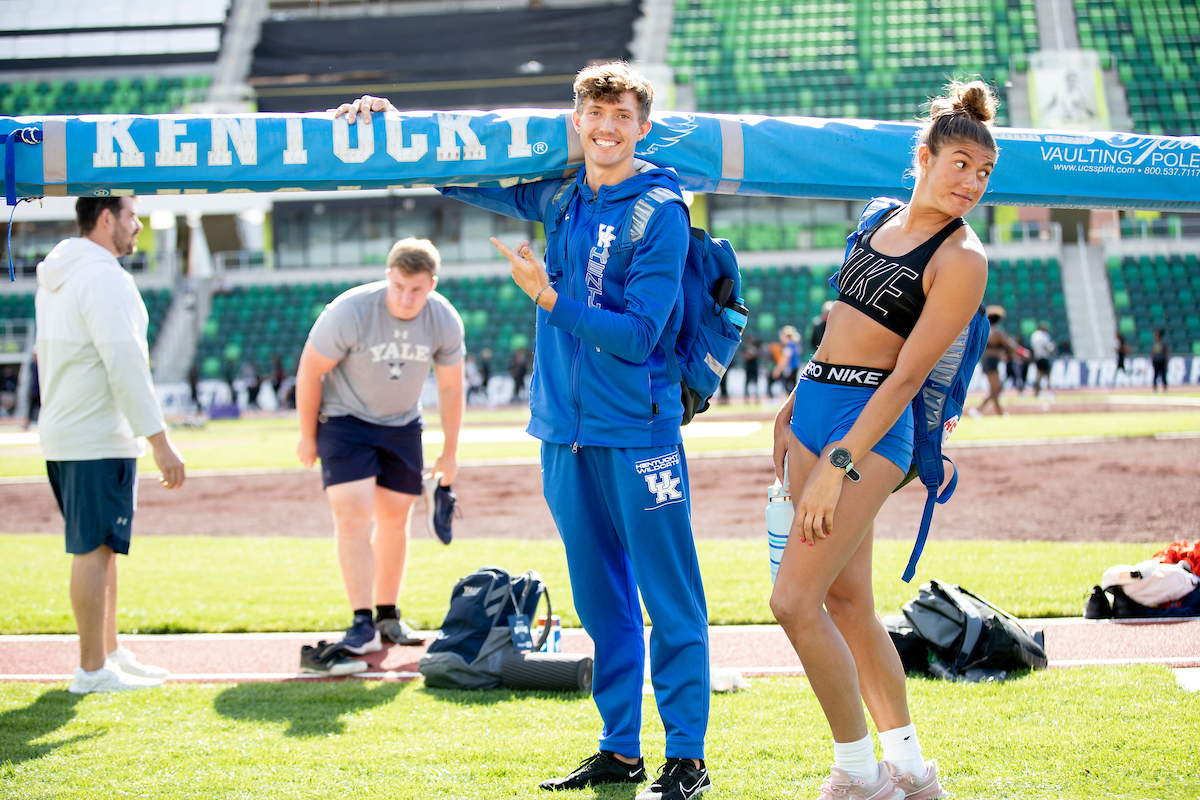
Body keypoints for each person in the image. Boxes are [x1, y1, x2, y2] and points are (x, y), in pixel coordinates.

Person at [336, 61, 713, 800]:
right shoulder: (563, 197)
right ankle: (620, 749)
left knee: (669, 599)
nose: (606, 129)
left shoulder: (661, 210)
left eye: (621, 117)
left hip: (638, 433)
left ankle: (688, 759)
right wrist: (395, 126)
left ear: (641, 126)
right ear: (578, 123)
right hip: (562, 435)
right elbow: (463, 177)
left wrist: (545, 295)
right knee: (602, 600)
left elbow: (640, 336)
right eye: (594, 116)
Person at [770, 81, 997, 800]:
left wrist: (840, 465)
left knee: (792, 603)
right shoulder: (875, 218)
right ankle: (910, 769)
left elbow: (903, 377)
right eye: (961, 164)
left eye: (984, 173)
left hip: (868, 431)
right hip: (814, 405)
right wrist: (792, 400)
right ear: (924, 158)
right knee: (847, 605)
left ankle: (860, 774)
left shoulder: (962, 259)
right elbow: (838, 322)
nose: (972, 183)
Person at [35, 196, 187, 693]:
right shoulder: (100, 276)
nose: (138, 226)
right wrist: (160, 441)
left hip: (71, 428)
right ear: (106, 219)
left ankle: (109, 654)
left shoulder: (65, 272)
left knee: (103, 546)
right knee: (93, 549)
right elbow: (124, 361)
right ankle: (92, 670)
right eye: (131, 216)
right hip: (95, 433)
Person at [295, 238, 464, 655]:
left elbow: (450, 385)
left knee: (395, 518)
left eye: (418, 290)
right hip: (344, 419)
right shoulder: (350, 311)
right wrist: (305, 434)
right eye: (400, 286)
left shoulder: (443, 318)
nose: (407, 299)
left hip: (402, 423)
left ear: (432, 284)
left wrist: (450, 451)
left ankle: (387, 616)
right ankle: (360, 622)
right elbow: (309, 370)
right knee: (353, 515)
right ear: (389, 276)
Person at [971, 306, 1024, 417]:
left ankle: (986, 411)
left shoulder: (985, 331)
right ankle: (986, 411)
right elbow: (1011, 345)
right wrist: (1023, 352)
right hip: (992, 362)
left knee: (995, 389)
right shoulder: (997, 332)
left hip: (986, 361)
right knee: (996, 389)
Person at [1029, 321, 1056, 400]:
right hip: (1044, 356)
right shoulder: (1044, 335)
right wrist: (1051, 349)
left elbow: (1033, 348)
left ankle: (1038, 391)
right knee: (1047, 374)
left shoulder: (1034, 335)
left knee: (1039, 375)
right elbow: (1045, 346)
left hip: (1037, 357)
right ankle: (1049, 391)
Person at [22, 352, 40, 430]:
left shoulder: (41, 365)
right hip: (34, 390)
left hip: (41, 390)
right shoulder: (33, 365)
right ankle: (27, 423)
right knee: (31, 408)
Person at [741, 334, 761, 400]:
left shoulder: (755, 346)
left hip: (754, 366)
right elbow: (745, 356)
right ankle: (746, 396)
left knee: (755, 382)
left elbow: (757, 354)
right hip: (748, 366)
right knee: (747, 382)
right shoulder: (745, 347)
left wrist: (750, 355)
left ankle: (756, 396)